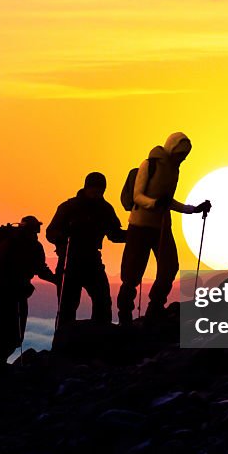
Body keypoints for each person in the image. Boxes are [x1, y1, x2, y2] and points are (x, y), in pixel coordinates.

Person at [117, 132, 211, 325]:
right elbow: (137, 196)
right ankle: (125, 314)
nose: (182, 158)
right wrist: (155, 203)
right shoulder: (149, 165)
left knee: (169, 267)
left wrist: (193, 209)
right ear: (172, 148)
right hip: (140, 226)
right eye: (180, 154)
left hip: (161, 226)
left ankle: (155, 307)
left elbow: (168, 201)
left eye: (185, 156)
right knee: (132, 273)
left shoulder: (174, 170)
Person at [46, 172, 127, 327]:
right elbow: (51, 232)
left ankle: (99, 338)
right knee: (67, 307)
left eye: (100, 189)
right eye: (94, 189)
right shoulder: (69, 207)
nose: (97, 192)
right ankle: (65, 343)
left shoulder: (105, 209)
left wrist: (134, 235)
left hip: (92, 260)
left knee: (102, 301)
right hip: (69, 262)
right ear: (86, 187)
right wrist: (62, 237)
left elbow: (114, 234)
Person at [0, 216, 57, 372]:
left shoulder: (8, 241)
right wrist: (58, 280)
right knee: (14, 333)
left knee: (5, 329)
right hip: (14, 293)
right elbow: (41, 270)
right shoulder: (30, 246)